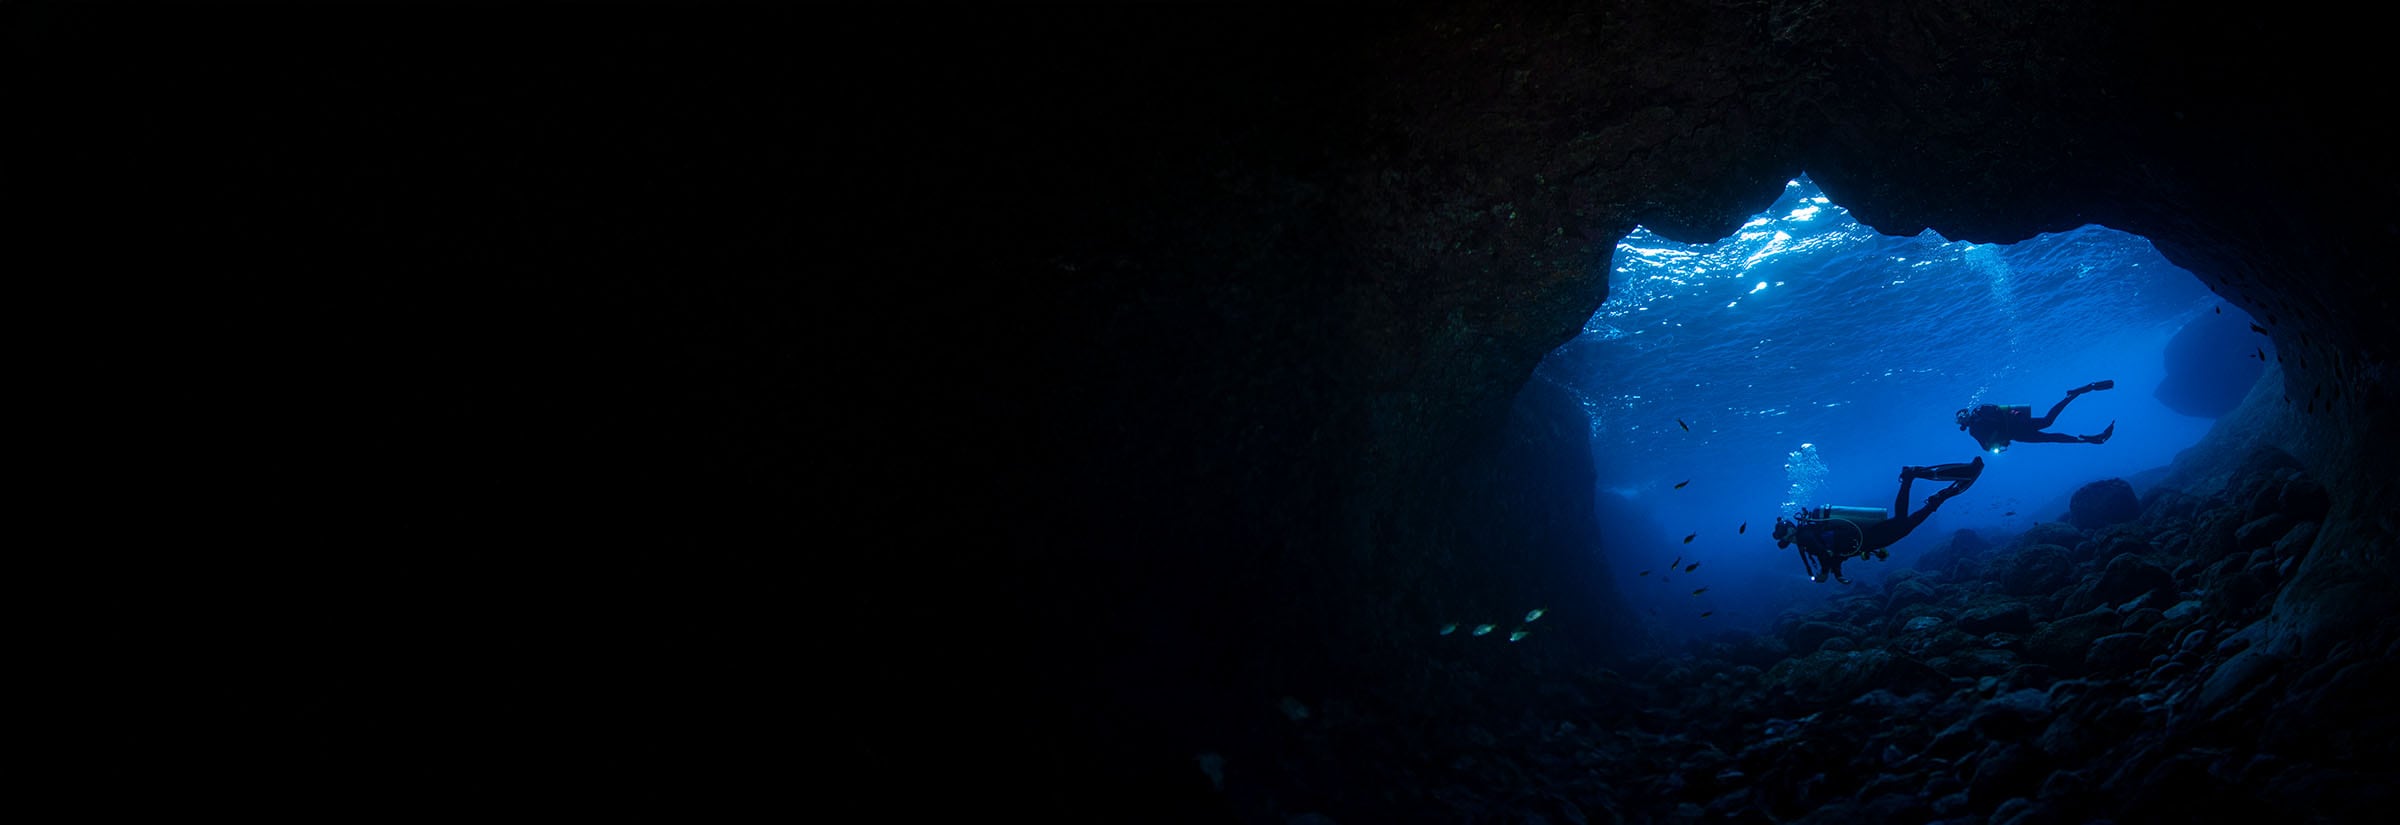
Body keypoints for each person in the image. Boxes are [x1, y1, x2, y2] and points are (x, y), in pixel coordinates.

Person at [1773, 457, 1983, 583]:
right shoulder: (1808, 534)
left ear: (1789, 533)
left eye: (1785, 538)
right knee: (1905, 525)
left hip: (1866, 537)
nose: (1787, 542)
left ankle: (1912, 481)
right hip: (1865, 539)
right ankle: (1935, 499)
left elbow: (1823, 553)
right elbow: (1834, 555)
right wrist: (1837, 573)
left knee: (1903, 523)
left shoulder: (1806, 536)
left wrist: (1825, 573)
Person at [1955, 380, 2116, 453]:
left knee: (2049, 432)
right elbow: (1986, 446)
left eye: (1962, 416)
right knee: (2049, 426)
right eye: (1961, 418)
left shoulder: (1978, 420)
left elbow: (1986, 447)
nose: (1963, 418)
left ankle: (2084, 437)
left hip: (2017, 431)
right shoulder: (1978, 418)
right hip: (2018, 428)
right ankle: (2072, 396)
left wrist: (1998, 443)